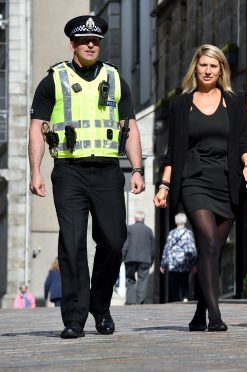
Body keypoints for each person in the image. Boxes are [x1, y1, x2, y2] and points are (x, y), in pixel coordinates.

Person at [28, 15, 144, 338]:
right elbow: (37, 129)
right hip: (69, 172)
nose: (91, 45)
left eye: (96, 40)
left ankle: (100, 304)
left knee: (114, 240)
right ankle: (75, 318)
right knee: (73, 241)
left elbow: (130, 126)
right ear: (73, 45)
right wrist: (35, 170)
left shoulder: (116, 78)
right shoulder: (54, 80)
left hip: (108, 171)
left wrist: (137, 169)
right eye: (84, 41)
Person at [154, 44, 247, 332]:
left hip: (228, 180)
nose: (208, 70)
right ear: (195, 68)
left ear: (221, 69)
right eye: (203, 65)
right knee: (208, 242)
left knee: (213, 252)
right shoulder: (180, 105)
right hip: (194, 179)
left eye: (214, 66)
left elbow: (245, 143)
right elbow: (173, 151)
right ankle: (215, 316)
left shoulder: (234, 102)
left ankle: (199, 313)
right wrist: (164, 185)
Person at [160, 213, 197, 302]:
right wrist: (194, 263)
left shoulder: (172, 233)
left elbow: (167, 248)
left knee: (174, 283)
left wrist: (163, 264)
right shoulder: (188, 233)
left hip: (173, 263)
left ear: (176, 222)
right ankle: (184, 297)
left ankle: (176, 300)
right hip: (185, 262)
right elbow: (192, 249)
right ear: (185, 221)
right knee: (184, 281)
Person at [122, 211, 155, 305]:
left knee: (130, 279)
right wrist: (151, 259)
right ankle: (139, 301)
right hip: (145, 260)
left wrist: (122, 257)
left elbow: (125, 245)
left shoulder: (129, 229)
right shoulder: (149, 230)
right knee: (143, 280)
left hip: (130, 258)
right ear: (143, 219)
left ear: (135, 219)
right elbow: (152, 247)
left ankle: (130, 301)